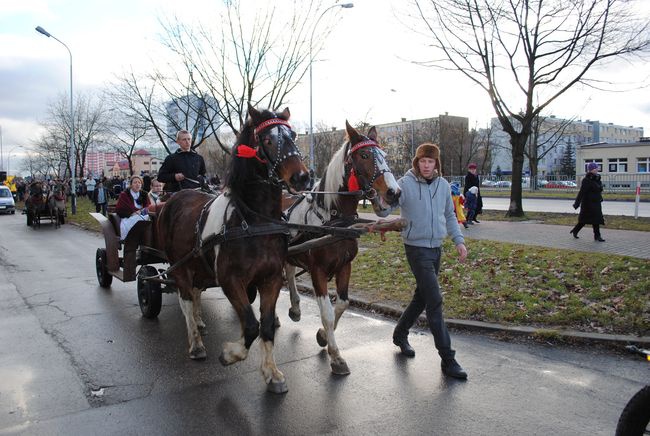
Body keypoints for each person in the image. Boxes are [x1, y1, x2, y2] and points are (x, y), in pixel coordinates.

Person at [391, 143, 469, 380]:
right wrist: (381, 196)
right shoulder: (404, 184)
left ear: (436, 164)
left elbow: (449, 215)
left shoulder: (443, 186)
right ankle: (448, 358)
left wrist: (459, 240)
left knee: (422, 297)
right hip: (416, 248)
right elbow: (386, 209)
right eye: (422, 161)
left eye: (430, 161)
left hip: (436, 248)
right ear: (417, 162)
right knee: (434, 300)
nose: (426, 165)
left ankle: (400, 333)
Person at [571, 162, 605, 242]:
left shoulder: (597, 178)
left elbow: (598, 191)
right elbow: (581, 192)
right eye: (595, 168)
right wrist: (577, 203)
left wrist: (600, 197)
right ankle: (575, 230)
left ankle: (597, 236)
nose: (596, 169)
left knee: (596, 220)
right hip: (588, 204)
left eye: (597, 168)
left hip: (596, 203)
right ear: (590, 170)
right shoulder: (586, 180)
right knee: (583, 220)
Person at [115, 175, 151, 241]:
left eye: (139, 183)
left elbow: (148, 206)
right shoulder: (124, 195)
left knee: (150, 218)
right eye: (135, 182)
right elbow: (119, 210)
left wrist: (142, 211)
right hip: (128, 217)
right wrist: (131, 214)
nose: (137, 184)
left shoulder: (144, 194)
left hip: (142, 214)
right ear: (131, 184)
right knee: (141, 220)